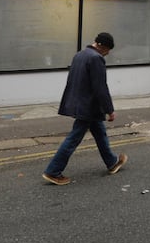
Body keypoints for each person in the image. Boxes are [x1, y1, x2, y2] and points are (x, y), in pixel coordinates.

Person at [42, 32, 128, 185]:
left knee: (100, 133)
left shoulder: (80, 55)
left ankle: (112, 162)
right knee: (74, 138)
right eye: (108, 50)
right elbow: (100, 87)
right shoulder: (96, 58)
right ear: (101, 46)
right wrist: (109, 109)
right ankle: (53, 171)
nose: (108, 53)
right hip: (88, 106)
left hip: (81, 103)